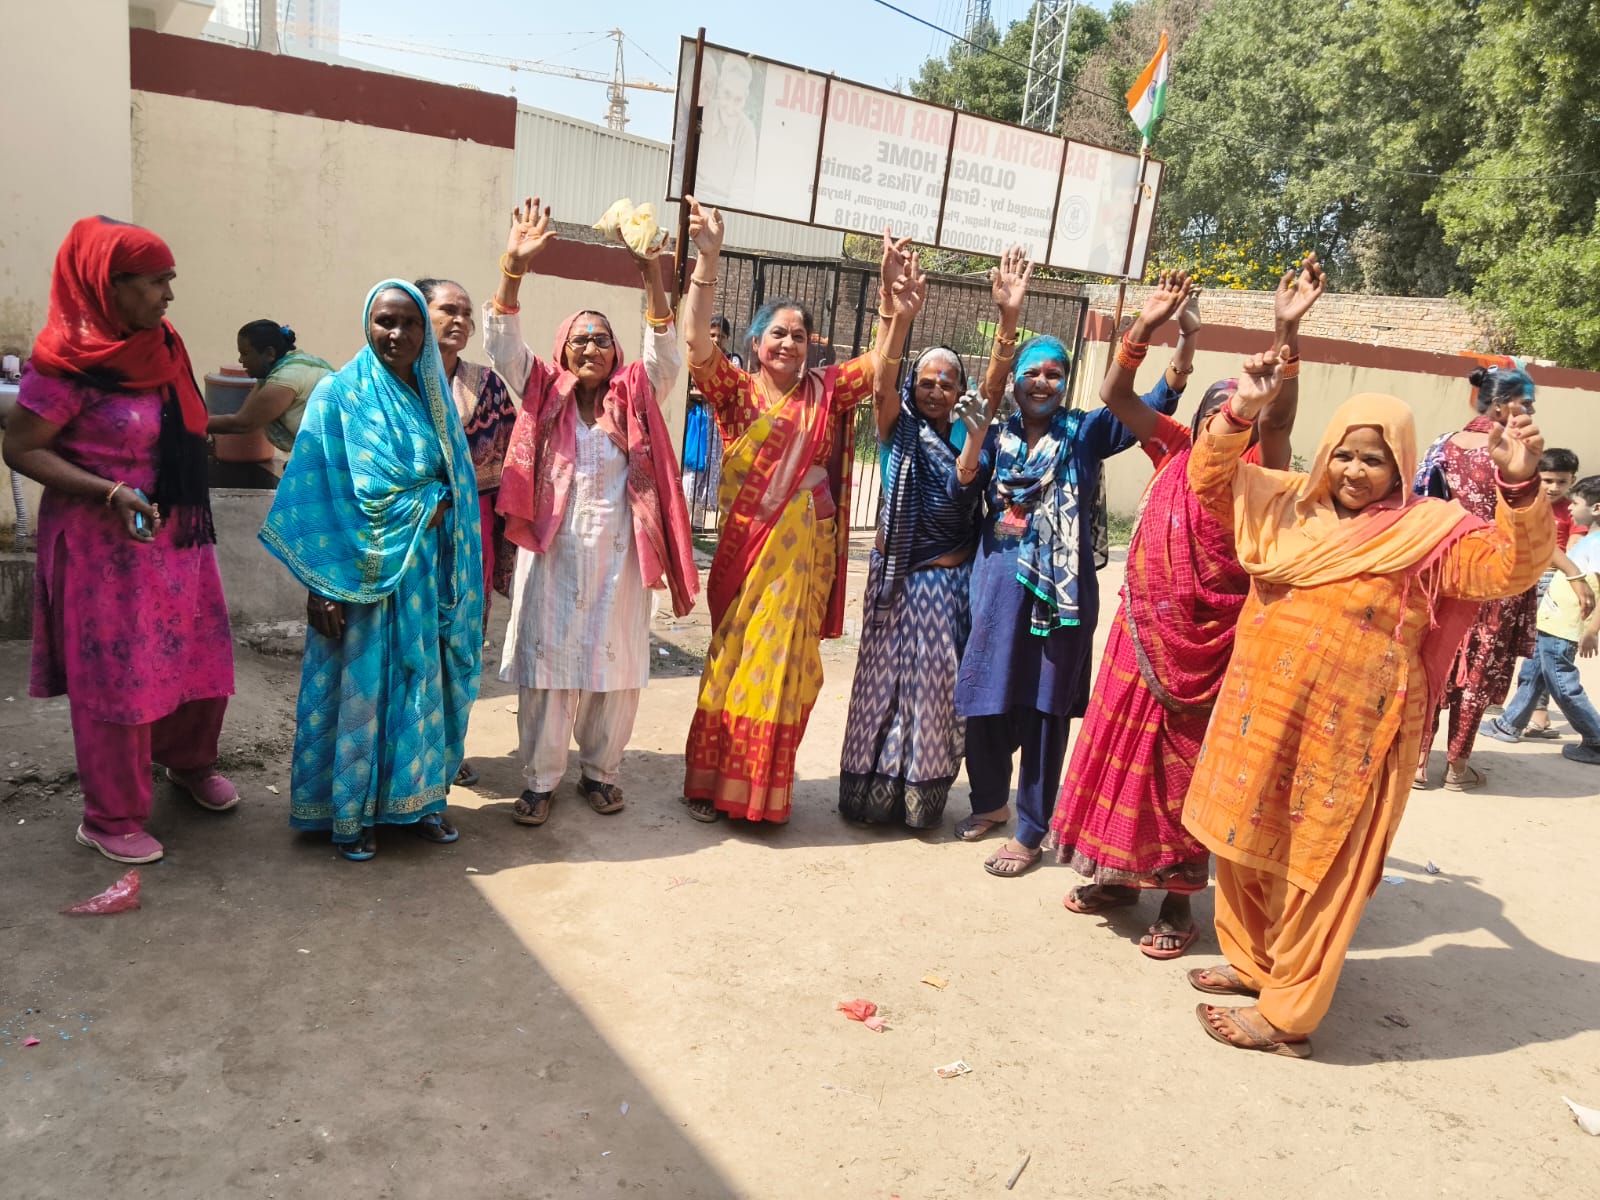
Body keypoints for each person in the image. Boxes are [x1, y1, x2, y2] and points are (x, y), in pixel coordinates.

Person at [1182, 361, 1551, 1057]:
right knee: (1243, 841)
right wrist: (1239, 416)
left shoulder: (1430, 533)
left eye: (1374, 460)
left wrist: (1520, 484)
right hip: (1261, 713)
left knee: (1323, 866)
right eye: (1345, 454)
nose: (1355, 471)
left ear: (1401, 465)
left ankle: (1288, 1016)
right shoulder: (1282, 505)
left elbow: (1511, 567)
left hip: (1357, 731)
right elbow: (1205, 480)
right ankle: (1255, 961)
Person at [1049, 254, 1324, 956]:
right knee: (1123, 754)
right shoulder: (1172, 451)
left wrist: (1284, 331)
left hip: (1215, 651)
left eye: (1236, 418)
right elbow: (1115, 393)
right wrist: (1146, 326)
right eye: (1212, 415)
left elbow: (1282, 414)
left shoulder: (1265, 475)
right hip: (1142, 638)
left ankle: (1177, 904)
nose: (1219, 427)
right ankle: (1117, 875)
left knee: (1187, 772)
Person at [2, 216, 237, 864]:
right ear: (110, 284)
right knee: (120, 678)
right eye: (156, 282)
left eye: (170, 280)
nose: (168, 294)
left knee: (197, 660)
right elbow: (19, 446)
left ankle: (188, 763)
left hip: (173, 530)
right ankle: (108, 817)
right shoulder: (66, 362)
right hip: (102, 540)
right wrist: (109, 491)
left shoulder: (161, 343)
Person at [677, 198, 913, 824]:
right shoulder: (733, 394)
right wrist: (708, 260)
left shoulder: (827, 391)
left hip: (806, 549)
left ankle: (762, 792)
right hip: (748, 550)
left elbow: (881, 368)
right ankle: (714, 783)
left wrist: (891, 307)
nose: (788, 342)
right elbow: (696, 344)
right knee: (736, 657)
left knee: (786, 666)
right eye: (777, 333)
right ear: (755, 344)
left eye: (799, 335)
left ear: (813, 346)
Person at [950, 247, 1179, 877]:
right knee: (986, 700)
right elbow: (962, 485)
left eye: (1055, 373)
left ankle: (1030, 827)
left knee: (1045, 711)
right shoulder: (989, 433)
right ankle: (991, 802)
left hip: (1061, 602)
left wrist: (1168, 342)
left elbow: (1148, 406)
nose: (1043, 382)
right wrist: (1008, 318)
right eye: (1034, 372)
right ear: (1018, 378)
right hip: (997, 592)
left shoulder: (1085, 434)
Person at [486, 198, 699, 826]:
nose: (592, 349)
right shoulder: (541, 390)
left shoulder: (635, 396)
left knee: (617, 670)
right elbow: (501, 342)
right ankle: (540, 781)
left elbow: (665, 354)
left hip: (620, 560)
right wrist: (514, 269)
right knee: (548, 673)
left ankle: (601, 774)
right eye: (580, 340)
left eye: (603, 341)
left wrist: (651, 274)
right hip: (551, 559)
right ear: (563, 349)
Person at [259, 280, 482, 861]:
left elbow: (457, 483)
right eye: (386, 321)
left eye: (410, 323)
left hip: (425, 580)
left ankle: (422, 801)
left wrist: (438, 508)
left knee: (420, 688)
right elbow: (313, 495)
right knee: (362, 693)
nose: (398, 334)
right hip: (355, 580)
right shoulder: (339, 396)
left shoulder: (435, 397)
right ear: (367, 324)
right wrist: (318, 587)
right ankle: (352, 811)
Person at [839, 254, 982, 829]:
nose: (935, 390)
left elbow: (966, 483)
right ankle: (869, 795)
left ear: (961, 392)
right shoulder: (897, 429)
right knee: (879, 684)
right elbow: (882, 380)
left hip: (944, 587)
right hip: (891, 581)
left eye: (947, 383)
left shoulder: (972, 439)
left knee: (931, 693)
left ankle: (919, 800)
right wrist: (898, 316)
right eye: (926, 381)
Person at [1413, 368, 1585, 789]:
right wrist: (1573, 571)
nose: (1529, 412)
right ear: (1505, 403)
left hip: (1447, 573)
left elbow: (1422, 507)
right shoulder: (1515, 452)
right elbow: (1529, 527)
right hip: (1499, 577)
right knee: (1477, 673)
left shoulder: (1442, 446)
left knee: (1434, 660)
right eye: (1526, 403)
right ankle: (1456, 767)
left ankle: (1418, 763)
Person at [416, 276, 519, 789]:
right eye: (446, 310)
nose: (459, 320)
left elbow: (512, 459)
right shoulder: (396, 381)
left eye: (465, 313)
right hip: (411, 531)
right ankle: (410, 748)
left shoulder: (488, 386)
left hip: (473, 530)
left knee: (460, 641)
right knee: (409, 639)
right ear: (420, 314)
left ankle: (450, 747)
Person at [1480, 473, 1600, 764]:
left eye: (1577, 503)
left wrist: (1592, 630)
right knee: (1534, 674)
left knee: (1562, 684)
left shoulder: (1598, 545)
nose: (1570, 508)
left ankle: (1596, 739)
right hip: (1551, 621)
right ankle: (1509, 724)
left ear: (1597, 508)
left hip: (1565, 627)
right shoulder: (1591, 538)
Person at [1518, 448, 1584, 737]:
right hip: (1518, 578)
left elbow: (1574, 551)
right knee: (1514, 643)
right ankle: (1513, 705)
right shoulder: (1525, 503)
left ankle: (1538, 713)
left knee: (1540, 649)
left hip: (1551, 582)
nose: (1554, 487)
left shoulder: (1571, 511)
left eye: (1562, 481)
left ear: (1572, 481)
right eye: (1547, 480)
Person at [206, 320, 333, 460]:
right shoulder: (291, 363)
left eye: (245, 353)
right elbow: (246, 413)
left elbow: (243, 423)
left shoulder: (285, 379)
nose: (241, 360)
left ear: (269, 353)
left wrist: (188, 424)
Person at [682, 315, 740, 526]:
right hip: (700, 419)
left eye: (721, 336)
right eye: (712, 335)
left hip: (720, 421)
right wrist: (704, 393)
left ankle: (698, 520)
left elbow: (726, 391)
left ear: (728, 339)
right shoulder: (697, 359)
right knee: (695, 464)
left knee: (714, 466)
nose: (716, 340)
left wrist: (701, 392)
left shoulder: (732, 361)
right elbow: (688, 390)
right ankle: (686, 515)